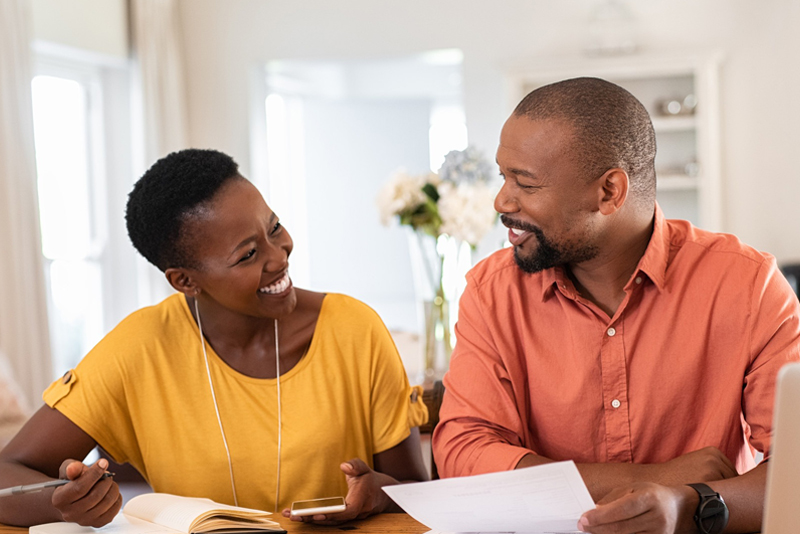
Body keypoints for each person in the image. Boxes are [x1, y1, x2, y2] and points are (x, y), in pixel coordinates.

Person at [432, 77, 800, 534]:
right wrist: (654, 479)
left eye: (525, 183)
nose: (501, 201)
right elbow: (464, 454)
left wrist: (686, 505)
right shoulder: (491, 293)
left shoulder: (747, 285)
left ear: (609, 191)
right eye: (503, 175)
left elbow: (795, 473)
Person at [0, 149, 429, 527]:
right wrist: (61, 504)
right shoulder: (140, 347)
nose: (279, 256)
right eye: (248, 254)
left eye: (274, 228)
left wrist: (374, 495)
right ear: (184, 280)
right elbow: (8, 470)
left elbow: (415, 492)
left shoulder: (354, 329)